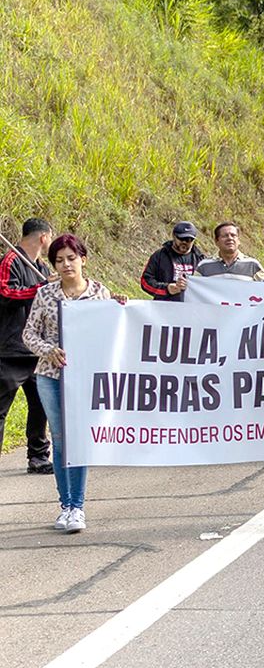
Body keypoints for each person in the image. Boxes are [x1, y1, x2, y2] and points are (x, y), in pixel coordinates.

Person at [25, 234, 124, 533]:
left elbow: (116, 333)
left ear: (83, 259)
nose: (66, 264)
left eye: (71, 258)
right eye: (59, 260)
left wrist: (122, 309)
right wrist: (48, 351)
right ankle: (64, 505)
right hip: (50, 376)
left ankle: (77, 507)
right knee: (61, 438)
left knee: (78, 439)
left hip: (86, 377)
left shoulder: (100, 293)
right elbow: (29, 335)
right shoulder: (45, 294)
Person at [1, 218, 54, 474]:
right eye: (50, 238)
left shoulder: (42, 268)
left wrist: (50, 287)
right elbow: (5, 293)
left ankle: (38, 457)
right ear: (44, 237)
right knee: (1, 410)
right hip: (10, 350)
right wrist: (39, 289)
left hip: (37, 351)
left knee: (41, 404)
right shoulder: (11, 261)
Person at [195, 222, 264, 288]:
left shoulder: (252, 264)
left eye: (233, 235)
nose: (230, 238)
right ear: (216, 241)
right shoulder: (204, 266)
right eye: (225, 236)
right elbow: (193, 289)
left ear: (238, 240)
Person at [140, 221, 205, 301]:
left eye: (188, 240)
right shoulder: (160, 256)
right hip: (164, 307)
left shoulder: (201, 260)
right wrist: (166, 289)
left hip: (192, 309)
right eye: (181, 238)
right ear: (174, 236)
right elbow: (145, 282)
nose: (184, 242)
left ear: (194, 240)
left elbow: (208, 287)